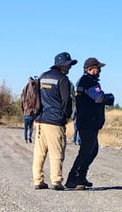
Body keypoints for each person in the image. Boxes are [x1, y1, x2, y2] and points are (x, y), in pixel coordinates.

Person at [66, 58, 115, 190]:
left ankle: (81, 177)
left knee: (92, 151)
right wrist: (110, 97)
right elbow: (99, 98)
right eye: (98, 68)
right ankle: (72, 178)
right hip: (88, 122)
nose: (100, 71)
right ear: (90, 69)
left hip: (89, 122)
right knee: (86, 151)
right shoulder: (87, 81)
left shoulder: (88, 81)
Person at [32, 52, 76, 190]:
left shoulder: (42, 77)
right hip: (55, 121)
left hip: (40, 120)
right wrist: (67, 116)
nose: (69, 68)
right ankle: (56, 181)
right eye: (68, 65)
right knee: (56, 152)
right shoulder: (62, 79)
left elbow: (37, 97)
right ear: (62, 65)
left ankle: (38, 181)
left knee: (39, 153)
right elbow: (66, 100)